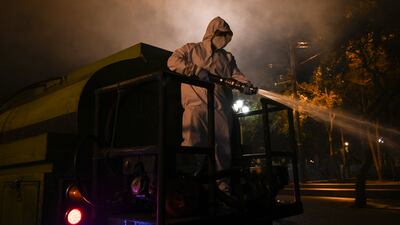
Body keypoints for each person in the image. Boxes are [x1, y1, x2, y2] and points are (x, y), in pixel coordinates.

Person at [167, 16, 252, 193]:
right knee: (192, 146)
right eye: (221, 34)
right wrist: (196, 71)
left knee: (223, 151)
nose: (223, 38)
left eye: (226, 35)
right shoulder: (191, 49)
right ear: (212, 33)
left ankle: (223, 192)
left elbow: (237, 76)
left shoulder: (227, 58)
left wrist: (246, 85)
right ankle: (188, 190)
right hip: (195, 107)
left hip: (221, 109)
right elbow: (172, 61)